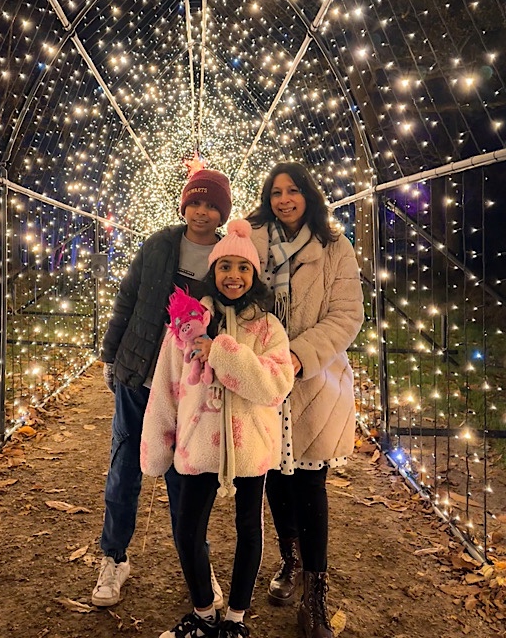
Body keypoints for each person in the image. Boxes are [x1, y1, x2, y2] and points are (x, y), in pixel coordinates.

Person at [141, 219, 295, 638]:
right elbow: (167, 386)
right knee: (188, 530)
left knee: (249, 530)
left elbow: (276, 384)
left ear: (254, 275)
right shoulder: (187, 323)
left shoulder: (267, 328)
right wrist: (158, 443)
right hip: (198, 446)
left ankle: (236, 620)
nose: (234, 275)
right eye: (225, 266)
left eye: (243, 268)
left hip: (250, 448)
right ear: (213, 271)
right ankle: (203, 613)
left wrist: (222, 352)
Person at [92, 169, 232, 608]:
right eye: (195, 203)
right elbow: (127, 299)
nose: (201, 212)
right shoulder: (159, 245)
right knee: (124, 469)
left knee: (186, 480)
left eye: (211, 206)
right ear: (184, 205)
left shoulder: (227, 255)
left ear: (222, 213)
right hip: (139, 378)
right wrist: (111, 357)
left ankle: (196, 564)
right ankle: (114, 557)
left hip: (189, 388)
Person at [247, 161, 364, 638]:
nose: (284, 200)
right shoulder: (251, 240)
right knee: (274, 475)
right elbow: (233, 293)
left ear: (308, 195)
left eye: (293, 191)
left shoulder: (335, 247)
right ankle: (290, 559)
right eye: (276, 192)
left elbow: (347, 315)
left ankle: (316, 592)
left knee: (311, 485)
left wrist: (298, 356)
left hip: (314, 380)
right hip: (262, 378)